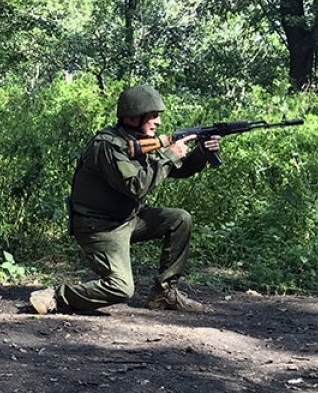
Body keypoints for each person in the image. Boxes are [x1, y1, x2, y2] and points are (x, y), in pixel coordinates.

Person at [30, 83, 220, 316]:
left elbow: (179, 170)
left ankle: (163, 294)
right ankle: (57, 296)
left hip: (128, 218)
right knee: (121, 287)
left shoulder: (141, 140)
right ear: (132, 117)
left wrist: (201, 152)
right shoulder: (108, 146)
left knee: (180, 219)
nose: (158, 122)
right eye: (152, 116)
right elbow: (136, 187)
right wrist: (170, 154)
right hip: (100, 227)